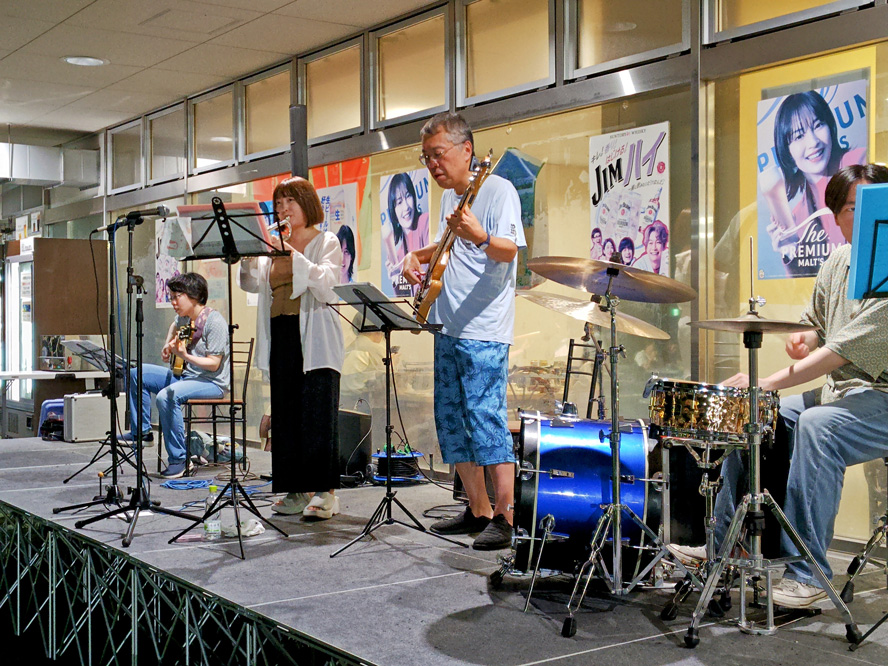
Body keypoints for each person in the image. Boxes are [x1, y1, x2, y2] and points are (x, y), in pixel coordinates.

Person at [674, 164, 888, 609]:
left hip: (881, 397)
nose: (864, 215)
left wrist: (768, 380)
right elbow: (818, 328)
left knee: (816, 426)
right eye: (854, 207)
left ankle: (809, 575)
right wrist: (804, 338)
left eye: (874, 205)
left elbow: (840, 351)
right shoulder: (837, 261)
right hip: (841, 393)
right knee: (758, 412)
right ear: (836, 216)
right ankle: (725, 547)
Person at [402, 111, 526, 550]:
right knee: (452, 419)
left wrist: (479, 235)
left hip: (484, 328)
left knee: (485, 419)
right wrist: (417, 255)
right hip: (447, 323)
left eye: (438, 154)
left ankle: (507, 516)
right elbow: (448, 243)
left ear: (466, 149)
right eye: (426, 157)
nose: (432, 164)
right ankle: (478, 510)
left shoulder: (498, 190)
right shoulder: (449, 198)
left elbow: (509, 250)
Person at [239, 177, 345, 520]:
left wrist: (291, 253)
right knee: (286, 416)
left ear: (307, 204)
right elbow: (251, 284)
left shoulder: (325, 241)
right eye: (278, 203)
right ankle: (296, 490)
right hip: (281, 334)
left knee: (317, 414)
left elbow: (327, 285)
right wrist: (249, 256)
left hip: (315, 340)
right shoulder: (270, 245)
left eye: (290, 202)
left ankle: (326, 493)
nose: (283, 209)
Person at [123, 273, 229, 480]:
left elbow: (214, 364)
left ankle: (180, 460)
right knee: (137, 373)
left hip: (212, 382)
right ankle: (141, 433)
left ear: (194, 296)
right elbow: (174, 325)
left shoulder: (214, 321)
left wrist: (185, 356)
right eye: (170, 297)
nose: (172, 302)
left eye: (176, 297)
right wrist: (167, 344)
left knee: (166, 396)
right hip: (186, 376)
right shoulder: (184, 318)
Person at [763, 91, 866, 274]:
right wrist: (790, 255)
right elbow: (806, 287)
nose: (813, 142)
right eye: (798, 136)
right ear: (787, 152)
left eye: (818, 125)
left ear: (830, 126)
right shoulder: (796, 219)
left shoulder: (860, 166)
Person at [383, 172, 429, 296]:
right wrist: (395, 278)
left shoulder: (425, 221)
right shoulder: (398, 253)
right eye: (399, 202)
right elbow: (405, 297)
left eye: (408, 196)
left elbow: (427, 277)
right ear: (393, 211)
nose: (406, 207)